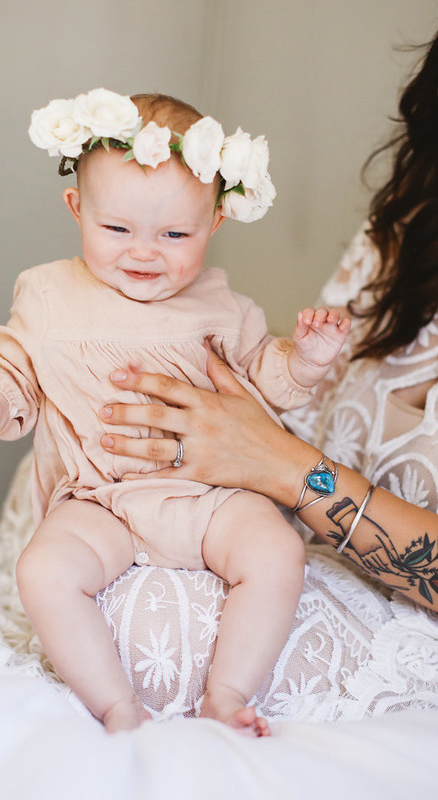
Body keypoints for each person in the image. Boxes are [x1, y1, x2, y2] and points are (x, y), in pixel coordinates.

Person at [0, 89, 349, 734]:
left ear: (215, 224)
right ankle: (115, 705)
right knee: (45, 569)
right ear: (76, 207)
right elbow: (13, 367)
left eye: (174, 234)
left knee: (277, 551)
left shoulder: (225, 306)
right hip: (100, 499)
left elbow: (268, 382)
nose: (144, 252)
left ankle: (227, 694)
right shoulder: (49, 292)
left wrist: (307, 357)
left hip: (210, 494)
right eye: (117, 230)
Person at [98, 34, 438, 616]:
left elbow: (277, 451)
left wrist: (280, 464)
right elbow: (302, 402)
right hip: (297, 557)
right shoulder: (398, 242)